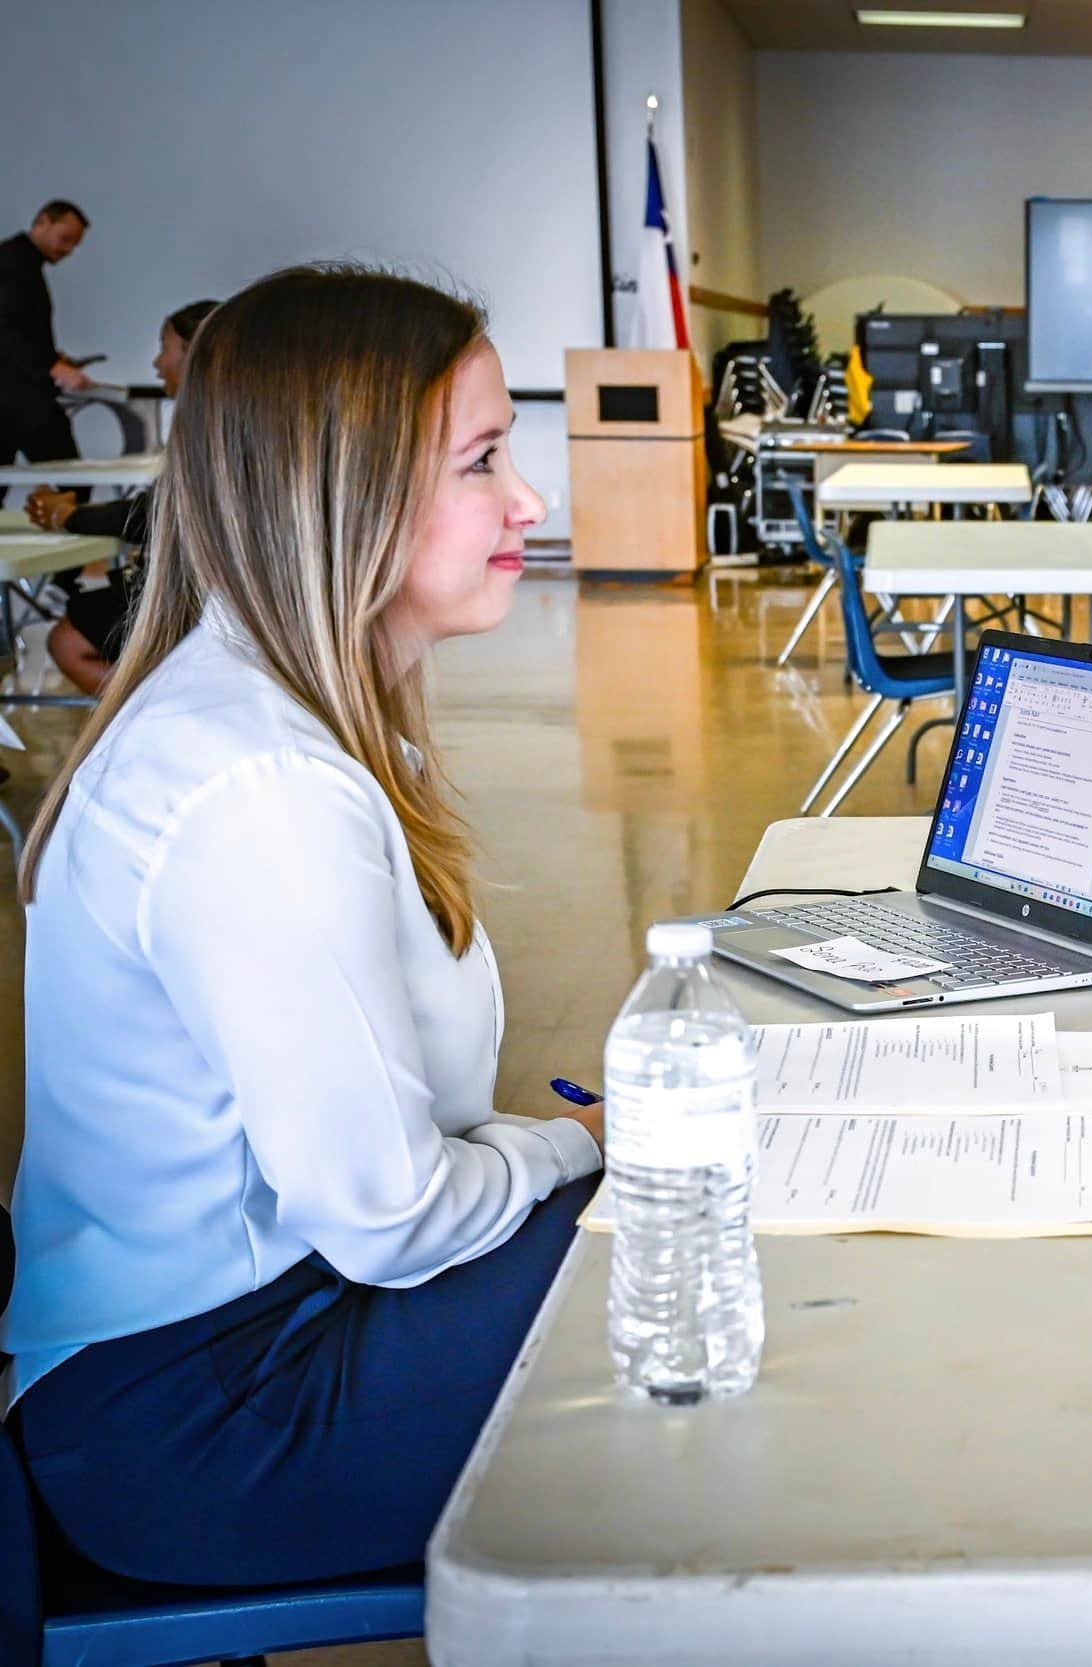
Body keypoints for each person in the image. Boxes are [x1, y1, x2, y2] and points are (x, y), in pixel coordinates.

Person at [2, 265, 604, 1587]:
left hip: (266, 1328)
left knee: (674, 1219)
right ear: (344, 492)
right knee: (692, 1263)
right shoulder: (260, 785)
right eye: (484, 460)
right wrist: (569, 1147)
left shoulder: (294, 714)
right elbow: (386, 1212)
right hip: (201, 1418)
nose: (530, 501)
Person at [26, 298, 217, 693]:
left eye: (165, 348)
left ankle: (164, 713)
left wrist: (68, 516)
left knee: (68, 638)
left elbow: (156, 515)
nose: (156, 362)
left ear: (193, 354)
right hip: (205, 595)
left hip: (192, 601)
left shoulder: (210, 428)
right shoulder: (218, 421)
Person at [0, 201, 91, 481]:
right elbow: (4, 327)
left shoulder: (19, 261)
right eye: (65, 239)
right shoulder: (12, 262)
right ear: (42, 222)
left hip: (13, 394)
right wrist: (51, 365)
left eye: (74, 245)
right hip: (20, 398)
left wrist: (52, 357)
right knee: (72, 480)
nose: (67, 250)